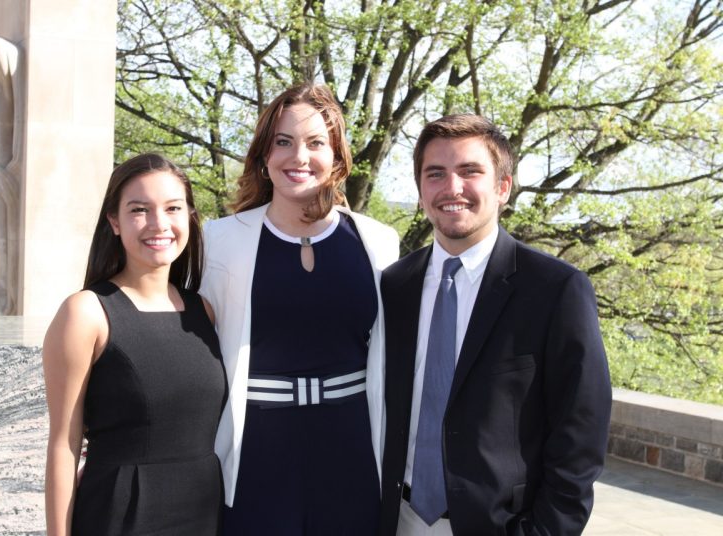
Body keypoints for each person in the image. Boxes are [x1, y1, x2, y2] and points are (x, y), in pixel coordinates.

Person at [379, 114, 612, 535]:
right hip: (397, 518)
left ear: (503, 187)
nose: (452, 188)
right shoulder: (394, 285)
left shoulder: (555, 289)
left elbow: (581, 434)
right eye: (436, 174)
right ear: (420, 192)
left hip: (500, 525)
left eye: (470, 171)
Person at [199, 83, 399, 534]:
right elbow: (184, 349)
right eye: (283, 142)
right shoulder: (218, 241)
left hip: (351, 448)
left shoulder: (378, 242)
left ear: (338, 157)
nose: (299, 157)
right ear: (263, 155)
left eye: (315, 143)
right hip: (256, 453)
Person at [43, 153, 226, 535]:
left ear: (190, 216)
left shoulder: (204, 311)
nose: (159, 224)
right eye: (139, 209)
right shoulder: (86, 313)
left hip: (204, 514)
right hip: (119, 515)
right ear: (114, 220)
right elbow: (64, 444)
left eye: (173, 208)